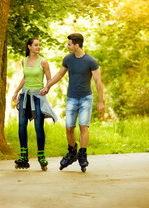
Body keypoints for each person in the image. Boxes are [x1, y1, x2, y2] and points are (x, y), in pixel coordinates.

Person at [40, 33, 104, 172]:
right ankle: (72, 152)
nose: (67, 46)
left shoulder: (91, 61)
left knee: (83, 127)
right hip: (71, 98)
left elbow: (98, 81)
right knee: (69, 128)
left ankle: (82, 154)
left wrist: (100, 101)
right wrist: (47, 86)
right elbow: (59, 75)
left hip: (86, 98)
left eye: (69, 44)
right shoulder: (68, 59)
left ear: (76, 45)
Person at [12, 37, 58, 171]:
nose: (38, 47)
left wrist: (46, 88)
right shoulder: (24, 61)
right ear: (29, 47)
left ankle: (41, 156)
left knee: (38, 127)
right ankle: (23, 156)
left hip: (38, 97)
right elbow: (25, 78)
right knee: (21, 125)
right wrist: (16, 92)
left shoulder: (43, 62)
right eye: (36, 45)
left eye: (39, 45)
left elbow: (49, 80)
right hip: (25, 96)